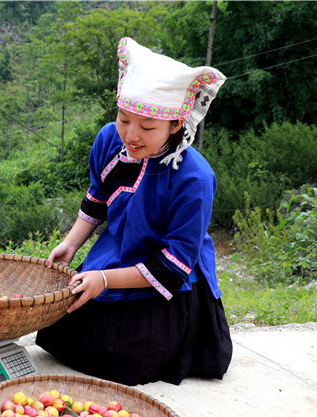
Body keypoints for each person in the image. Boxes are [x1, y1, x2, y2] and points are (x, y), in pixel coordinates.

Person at [36, 37, 233, 386]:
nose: (131, 135)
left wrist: (105, 280)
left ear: (175, 124)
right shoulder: (109, 140)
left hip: (168, 280)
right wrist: (71, 245)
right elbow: (97, 199)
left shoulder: (194, 178)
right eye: (124, 119)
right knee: (59, 333)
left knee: (124, 359)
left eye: (147, 127)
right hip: (115, 255)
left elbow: (174, 266)